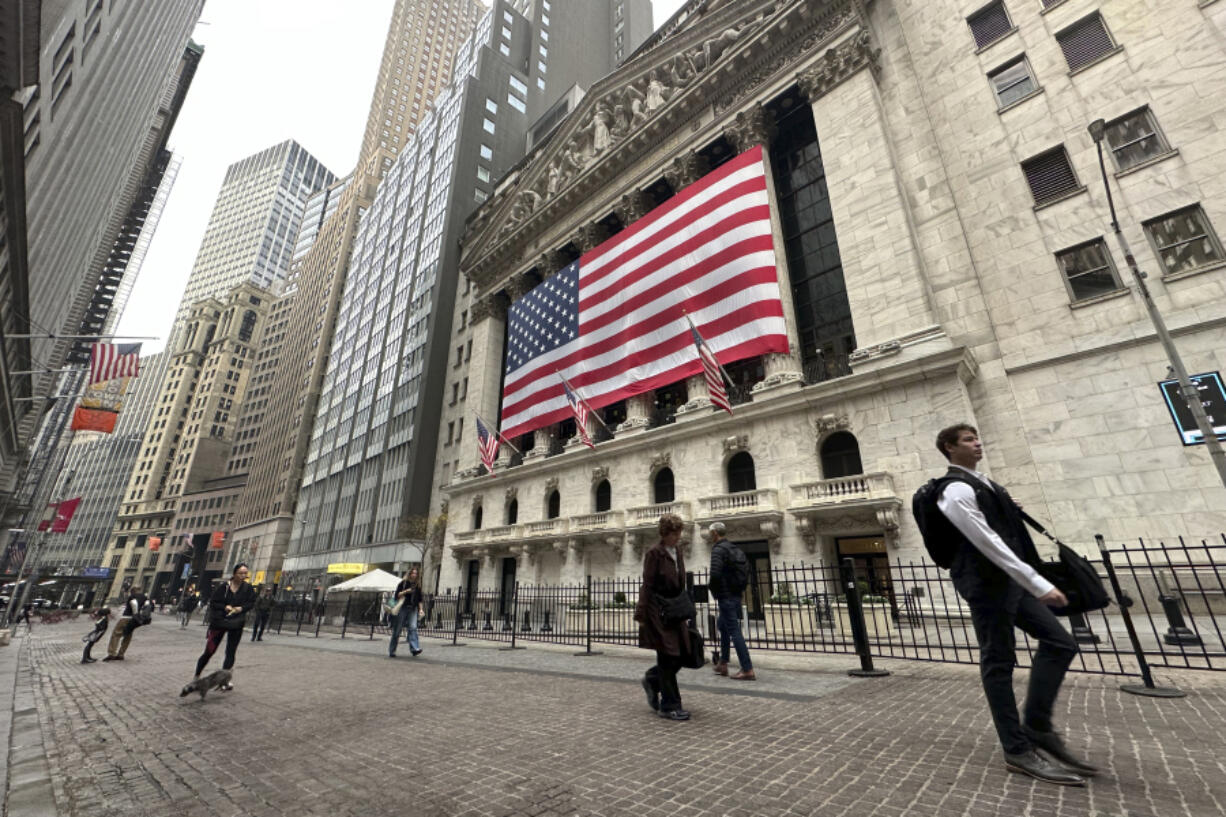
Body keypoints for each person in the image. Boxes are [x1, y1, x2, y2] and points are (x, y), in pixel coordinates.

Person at [933, 423, 1095, 785]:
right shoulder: (955, 489)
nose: (978, 443)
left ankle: (1037, 727)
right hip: (987, 585)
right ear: (949, 447)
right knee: (998, 661)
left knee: (1060, 642)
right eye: (969, 440)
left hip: (1011, 584)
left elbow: (1000, 529)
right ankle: (1017, 750)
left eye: (978, 437)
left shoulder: (984, 484)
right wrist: (1037, 583)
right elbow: (986, 541)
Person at [635, 513, 695, 721]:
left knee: (682, 654)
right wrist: (642, 614)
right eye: (674, 533)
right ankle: (669, 705)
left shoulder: (677, 551)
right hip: (658, 610)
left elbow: (680, 581)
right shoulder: (654, 553)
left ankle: (652, 679)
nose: (678, 536)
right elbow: (647, 585)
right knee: (668, 656)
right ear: (665, 533)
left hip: (674, 609)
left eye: (679, 532)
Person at [192, 564, 256, 691]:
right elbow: (214, 602)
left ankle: (224, 680)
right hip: (220, 622)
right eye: (240, 573)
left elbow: (251, 603)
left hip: (236, 623)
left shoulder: (248, 588)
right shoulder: (224, 587)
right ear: (234, 574)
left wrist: (241, 608)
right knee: (210, 650)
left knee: (231, 652)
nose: (243, 576)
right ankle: (196, 676)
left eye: (245, 573)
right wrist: (224, 606)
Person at [707, 521, 754, 680]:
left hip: (726, 596)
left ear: (714, 534)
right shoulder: (734, 548)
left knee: (734, 630)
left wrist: (714, 590)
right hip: (735, 594)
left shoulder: (718, 550)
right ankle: (723, 663)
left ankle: (747, 669)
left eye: (710, 533)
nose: (709, 536)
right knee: (722, 625)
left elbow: (715, 574)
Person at [103, 584, 147, 661]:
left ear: (133, 590)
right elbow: (147, 606)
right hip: (134, 620)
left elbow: (134, 603)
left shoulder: (132, 596)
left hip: (126, 617)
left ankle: (112, 653)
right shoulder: (144, 597)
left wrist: (135, 613)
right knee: (128, 636)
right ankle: (121, 654)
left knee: (116, 634)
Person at [389, 567, 424, 658]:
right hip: (402, 608)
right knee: (397, 630)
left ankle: (415, 649)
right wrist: (406, 591)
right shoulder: (403, 583)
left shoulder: (417, 585)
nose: (414, 575)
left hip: (413, 609)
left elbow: (420, 599)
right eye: (413, 573)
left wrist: (420, 609)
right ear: (409, 574)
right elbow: (397, 595)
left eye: (416, 573)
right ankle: (392, 650)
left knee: (413, 628)